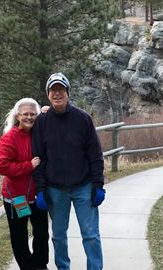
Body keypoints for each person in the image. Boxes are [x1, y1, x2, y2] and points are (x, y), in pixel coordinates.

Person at [32, 72, 106, 270]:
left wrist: (98, 184)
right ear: (48, 94)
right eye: (53, 90)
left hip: (84, 186)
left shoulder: (83, 119)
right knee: (58, 236)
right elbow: (37, 157)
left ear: (68, 92)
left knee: (90, 235)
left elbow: (95, 154)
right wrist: (40, 190)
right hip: (56, 190)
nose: (57, 94)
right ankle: (63, 267)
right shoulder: (42, 121)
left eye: (61, 90)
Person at [0, 98, 49, 270]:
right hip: (18, 198)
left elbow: (59, 120)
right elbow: (2, 166)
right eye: (25, 114)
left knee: (41, 232)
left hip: (38, 196)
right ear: (18, 115)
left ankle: (40, 265)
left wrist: (50, 112)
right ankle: (27, 267)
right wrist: (28, 166)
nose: (29, 117)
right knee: (20, 235)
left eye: (33, 114)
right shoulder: (9, 138)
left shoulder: (39, 133)